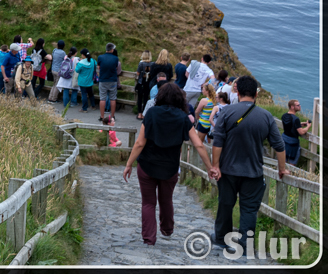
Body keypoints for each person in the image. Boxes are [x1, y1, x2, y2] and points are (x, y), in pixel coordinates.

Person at [122, 82, 216, 246]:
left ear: (160, 96)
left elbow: (139, 143)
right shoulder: (183, 118)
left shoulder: (151, 113)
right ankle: (167, 229)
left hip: (147, 164)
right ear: (180, 99)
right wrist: (210, 167)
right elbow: (199, 145)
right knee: (166, 199)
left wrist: (129, 164)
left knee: (148, 202)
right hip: (170, 167)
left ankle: (149, 238)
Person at [210, 75, 287, 250]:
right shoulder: (266, 116)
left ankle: (221, 238)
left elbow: (218, 142)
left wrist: (215, 166)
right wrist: (282, 169)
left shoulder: (227, 112)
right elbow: (279, 145)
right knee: (249, 209)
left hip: (228, 170)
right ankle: (244, 244)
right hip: (253, 171)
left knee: (225, 204)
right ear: (256, 94)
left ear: (237, 91)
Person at [97, 43, 122, 121]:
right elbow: (116, 67)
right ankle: (112, 116)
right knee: (113, 98)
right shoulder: (115, 58)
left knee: (102, 98)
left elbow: (99, 67)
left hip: (103, 80)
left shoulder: (100, 57)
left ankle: (102, 116)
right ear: (112, 49)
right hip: (112, 80)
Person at [282, 100, 307, 166]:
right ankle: (290, 175)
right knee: (292, 164)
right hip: (293, 143)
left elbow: (290, 125)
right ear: (292, 107)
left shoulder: (284, 116)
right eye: (298, 105)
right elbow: (301, 132)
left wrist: (300, 124)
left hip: (284, 140)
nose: (300, 106)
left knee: (282, 162)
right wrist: (308, 127)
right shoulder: (296, 119)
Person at [56, 46, 77, 113]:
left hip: (64, 76)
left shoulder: (66, 57)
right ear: (75, 53)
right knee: (74, 89)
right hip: (71, 76)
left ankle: (65, 103)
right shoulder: (76, 59)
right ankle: (73, 102)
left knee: (66, 89)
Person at [135, 51, 153, 119]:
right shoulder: (152, 64)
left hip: (141, 83)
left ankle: (139, 114)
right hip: (148, 83)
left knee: (139, 98)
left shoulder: (141, 63)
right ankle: (144, 114)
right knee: (145, 98)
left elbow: (138, 73)